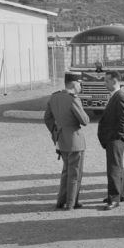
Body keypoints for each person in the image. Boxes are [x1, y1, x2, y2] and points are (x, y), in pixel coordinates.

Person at [44, 72, 90, 210]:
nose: (80, 86)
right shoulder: (74, 99)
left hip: (62, 140)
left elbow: (47, 118)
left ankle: (61, 200)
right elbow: (85, 120)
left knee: (65, 172)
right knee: (75, 173)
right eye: (80, 83)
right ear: (74, 84)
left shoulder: (54, 97)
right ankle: (71, 203)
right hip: (75, 141)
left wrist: (56, 132)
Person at [97, 71, 124, 209]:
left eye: (106, 81)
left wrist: (120, 137)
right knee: (118, 167)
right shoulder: (115, 96)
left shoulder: (120, 97)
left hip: (116, 138)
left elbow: (123, 121)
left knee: (113, 168)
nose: (104, 83)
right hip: (113, 137)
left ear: (114, 81)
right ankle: (120, 194)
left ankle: (114, 198)